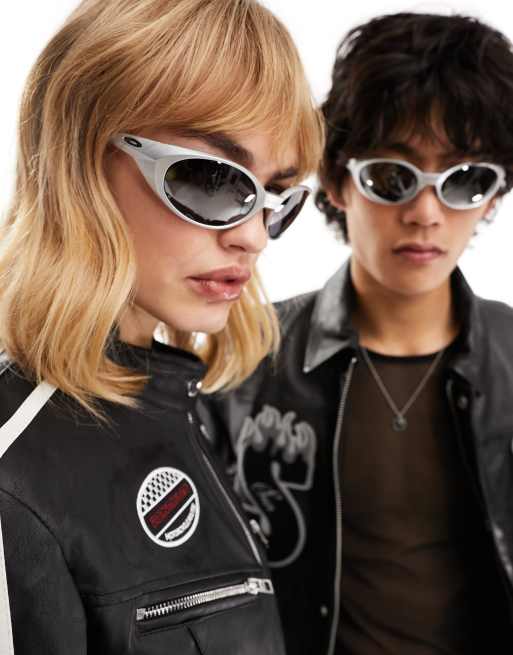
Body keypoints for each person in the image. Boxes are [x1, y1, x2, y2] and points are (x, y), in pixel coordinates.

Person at [0, 0, 323, 653]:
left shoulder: (189, 408)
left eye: (275, 199)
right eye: (212, 180)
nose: (254, 236)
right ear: (79, 161)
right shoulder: (14, 470)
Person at [204, 12, 513, 655]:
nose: (425, 213)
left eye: (463, 180)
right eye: (393, 176)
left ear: (492, 196)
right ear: (336, 181)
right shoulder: (244, 353)